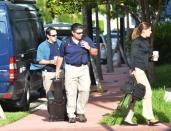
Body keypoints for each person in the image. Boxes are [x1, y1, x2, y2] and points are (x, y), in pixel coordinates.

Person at [55, 23, 98, 123]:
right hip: (70, 68)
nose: (81, 34)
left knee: (85, 90)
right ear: (72, 33)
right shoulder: (65, 42)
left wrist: (88, 47)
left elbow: (95, 52)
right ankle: (71, 114)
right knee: (71, 92)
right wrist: (57, 71)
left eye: (82, 32)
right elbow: (60, 57)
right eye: (78, 33)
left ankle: (81, 112)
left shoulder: (86, 39)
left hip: (83, 68)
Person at [123, 22, 159, 126]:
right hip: (137, 70)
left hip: (141, 69)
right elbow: (133, 55)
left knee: (137, 94)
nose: (151, 32)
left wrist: (152, 58)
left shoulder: (145, 41)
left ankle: (128, 118)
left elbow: (143, 57)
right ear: (144, 30)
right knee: (147, 92)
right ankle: (149, 117)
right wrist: (132, 68)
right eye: (150, 30)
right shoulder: (137, 41)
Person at [30, 27, 62, 95]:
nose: (55, 37)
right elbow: (39, 61)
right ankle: (51, 105)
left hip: (60, 71)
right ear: (48, 36)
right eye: (53, 35)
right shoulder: (42, 46)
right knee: (50, 94)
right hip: (48, 73)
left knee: (61, 94)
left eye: (56, 35)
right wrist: (50, 62)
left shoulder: (60, 43)